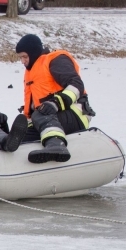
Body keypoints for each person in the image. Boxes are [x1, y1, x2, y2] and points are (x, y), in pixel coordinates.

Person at [15, 34, 95, 163]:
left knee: (40, 113)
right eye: (20, 57)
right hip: (49, 117)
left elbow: (77, 85)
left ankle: (56, 145)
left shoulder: (55, 60)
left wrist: (56, 103)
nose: (22, 61)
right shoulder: (32, 72)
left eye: (25, 57)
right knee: (23, 129)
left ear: (34, 53)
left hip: (75, 114)